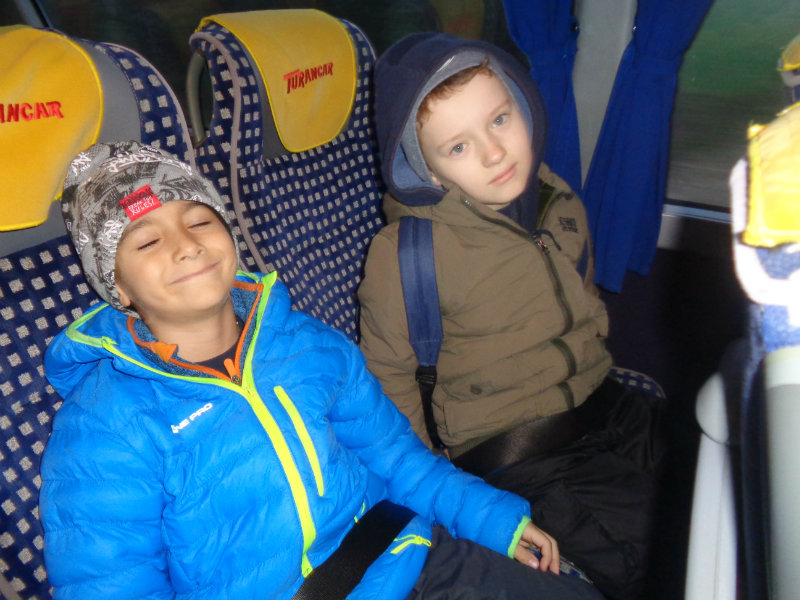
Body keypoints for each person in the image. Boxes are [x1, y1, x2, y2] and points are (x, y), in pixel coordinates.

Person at [38, 141, 604, 600]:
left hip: (410, 560)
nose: (186, 247)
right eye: (147, 241)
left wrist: (492, 521)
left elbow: (399, 460)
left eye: (200, 221)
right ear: (117, 287)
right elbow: (111, 584)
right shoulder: (105, 424)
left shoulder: (308, 345)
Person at [358, 33, 666, 600]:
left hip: (606, 403)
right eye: (458, 147)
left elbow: (582, 290)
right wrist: (439, 490)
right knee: (671, 552)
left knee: (717, 475)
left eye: (500, 120)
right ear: (424, 169)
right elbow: (389, 384)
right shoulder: (406, 255)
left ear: (522, 103)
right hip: (523, 453)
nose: (495, 153)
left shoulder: (554, 197)